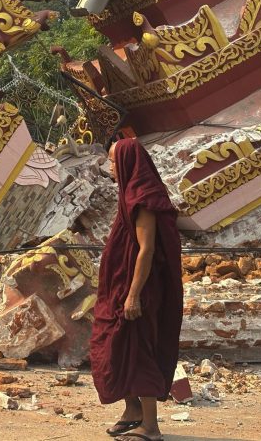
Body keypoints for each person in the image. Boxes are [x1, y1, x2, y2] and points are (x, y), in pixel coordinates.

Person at [89, 138, 184, 441]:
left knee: (139, 349)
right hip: (119, 287)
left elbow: (146, 249)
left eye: (114, 162)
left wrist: (133, 295)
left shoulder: (144, 198)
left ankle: (151, 427)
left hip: (137, 289)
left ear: (129, 163)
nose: (110, 168)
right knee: (115, 346)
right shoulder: (129, 193)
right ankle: (132, 412)